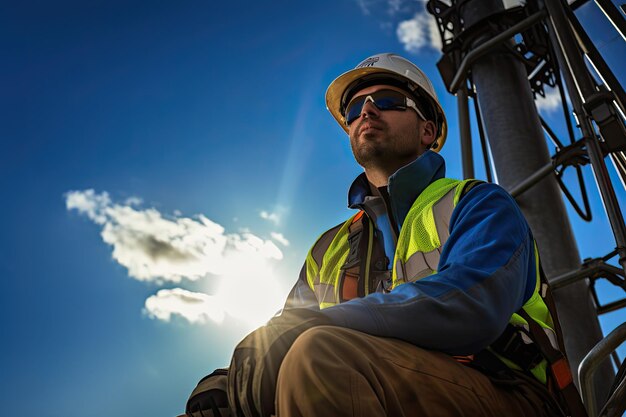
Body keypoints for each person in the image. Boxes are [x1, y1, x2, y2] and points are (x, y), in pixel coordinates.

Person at [185, 53, 585, 417]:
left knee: (319, 356)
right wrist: (227, 381)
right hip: (375, 381)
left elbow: (472, 305)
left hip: (508, 392)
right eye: (356, 108)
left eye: (389, 101)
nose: (367, 111)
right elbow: (282, 331)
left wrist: (311, 330)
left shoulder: (477, 204)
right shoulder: (329, 248)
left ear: (427, 131)